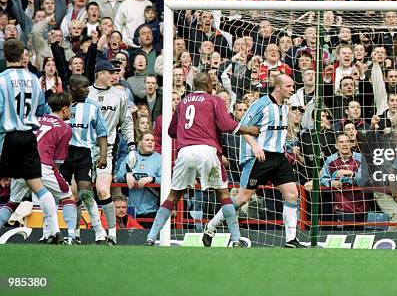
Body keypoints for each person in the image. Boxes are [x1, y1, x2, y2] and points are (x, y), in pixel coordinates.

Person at [145, 72, 259, 246]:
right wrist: (250, 130)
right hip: (206, 150)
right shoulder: (215, 100)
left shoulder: (183, 102)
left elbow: (171, 132)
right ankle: (236, 239)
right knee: (223, 193)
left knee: (174, 195)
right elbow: (227, 126)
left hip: (184, 152)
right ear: (208, 86)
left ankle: (151, 237)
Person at [203, 74, 306, 248]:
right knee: (242, 198)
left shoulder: (285, 106)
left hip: (278, 157)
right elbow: (241, 128)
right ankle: (211, 227)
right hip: (258, 157)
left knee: (292, 194)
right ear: (278, 87)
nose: (292, 90)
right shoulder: (261, 105)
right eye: (289, 86)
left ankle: (291, 240)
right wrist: (255, 146)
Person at [0, 39, 61, 243]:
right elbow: (41, 108)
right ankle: (53, 231)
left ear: (5, 56)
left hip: (7, 137)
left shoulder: (1, 80)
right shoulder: (35, 80)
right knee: (37, 185)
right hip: (28, 136)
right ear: (22, 56)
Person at [0, 92, 75, 243]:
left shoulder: (35, 120)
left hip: (20, 165)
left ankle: (49, 234)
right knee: (68, 196)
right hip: (42, 166)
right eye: (71, 107)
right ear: (65, 109)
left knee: (13, 202)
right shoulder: (65, 128)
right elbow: (58, 161)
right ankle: (71, 236)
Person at [88, 61, 137, 245]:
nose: (114, 75)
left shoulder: (120, 94)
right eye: (110, 72)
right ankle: (85, 234)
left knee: (102, 190)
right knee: (81, 194)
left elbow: (126, 122)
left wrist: (132, 146)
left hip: (106, 149)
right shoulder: (87, 93)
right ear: (100, 74)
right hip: (84, 149)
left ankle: (112, 234)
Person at [61, 75, 109, 244]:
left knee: (85, 192)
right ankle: (71, 234)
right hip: (63, 154)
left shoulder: (93, 106)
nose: (88, 90)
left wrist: (103, 156)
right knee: (64, 194)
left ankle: (99, 231)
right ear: (73, 88)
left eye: (88, 86)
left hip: (83, 153)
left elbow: (102, 133)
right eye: (84, 86)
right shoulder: (60, 105)